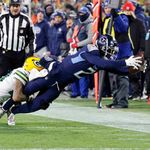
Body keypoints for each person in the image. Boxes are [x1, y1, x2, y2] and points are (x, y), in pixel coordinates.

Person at [0, 34, 143, 119]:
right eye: (110, 50)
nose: (112, 53)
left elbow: (115, 69)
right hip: (53, 73)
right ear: (102, 46)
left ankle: (12, 111)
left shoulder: (100, 59)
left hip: (59, 85)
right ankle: (4, 105)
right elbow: (105, 64)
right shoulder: (91, 51)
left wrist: (133, 70)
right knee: (25, 92)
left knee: (39, 105)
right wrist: (124, 61)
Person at [0, 56, 44, 125]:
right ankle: (5, 109)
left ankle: (5, 108)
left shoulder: (20, 70)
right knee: (21, 93)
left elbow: (13, 96)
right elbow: (16, 97)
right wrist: (29, 98)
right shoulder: (23, 74)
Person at [0, 0, 35, 77]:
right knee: (3, 76)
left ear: (20, 6)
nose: (15, 8)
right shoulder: (2, 17)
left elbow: (32, 37)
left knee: (18, 77)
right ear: (9, 7)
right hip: (5, 53)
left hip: (19, 55)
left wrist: (31, 51)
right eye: (13, 5)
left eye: (17, 5)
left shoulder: (26, 19)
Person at [67, 6, 93, 98]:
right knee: (72, 71)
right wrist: (69, 39)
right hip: (73, 50)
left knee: (82, 72)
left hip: (83, 50)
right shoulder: (77, 22)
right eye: (80, 13)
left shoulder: (90, 23)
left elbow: (90, 39)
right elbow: (70, 32)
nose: (81, 15)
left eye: (83, 13)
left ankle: (83, 93)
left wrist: (77, 44)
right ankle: (75, 92)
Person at [122, 1, 146, 100]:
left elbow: (142, 37)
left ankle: (138, 92)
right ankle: (131, 92)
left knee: (136, 73)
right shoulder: (122, 23)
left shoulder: (138, 23)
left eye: (129, 11)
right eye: (125, 11)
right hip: (125, 51)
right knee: (127, 74)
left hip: (136, 51)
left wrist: (141, 50)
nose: (127, 13)